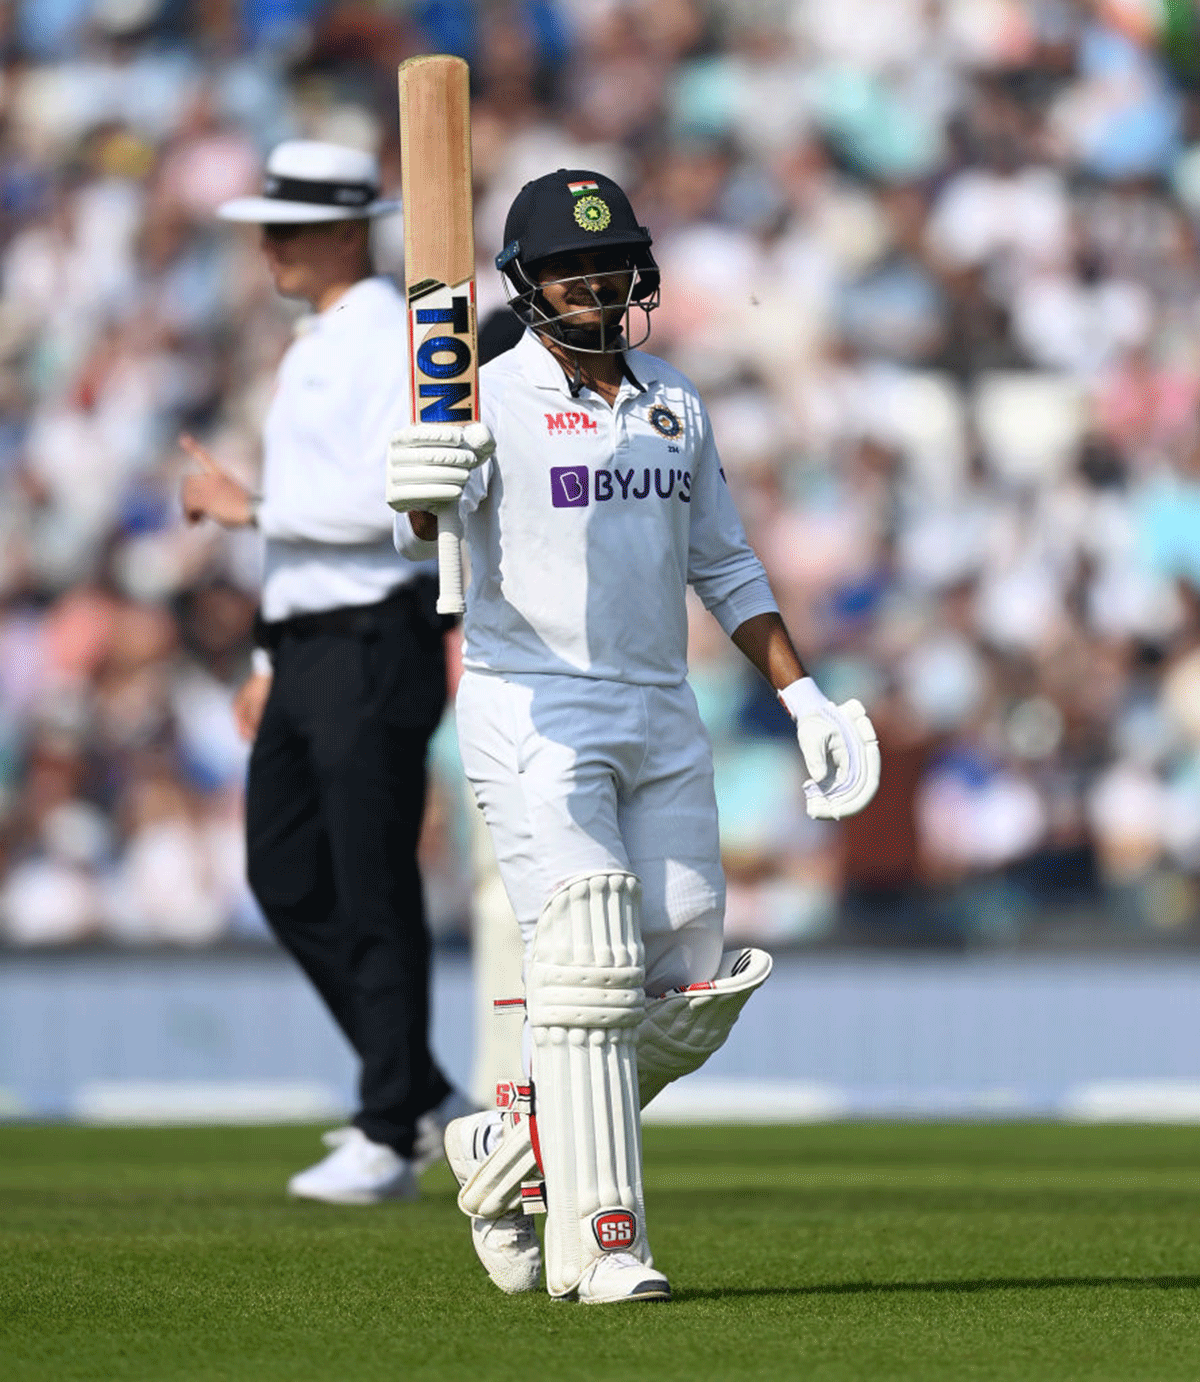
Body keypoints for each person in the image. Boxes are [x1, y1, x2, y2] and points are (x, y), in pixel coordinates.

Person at [386, 170, 880, 1300]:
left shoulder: (674, 400)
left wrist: (804, 698)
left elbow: (725, 561)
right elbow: (426, 528)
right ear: (528, 280)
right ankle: (606, 1240)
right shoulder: (483, 395)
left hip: (661, 706)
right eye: (571, 268)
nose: (598, 284)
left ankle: (504, 1153)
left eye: (612, 266)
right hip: (533, 701)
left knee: (695, 971)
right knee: (592, 961)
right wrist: (416, 485)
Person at [180, 140, 470, 1204]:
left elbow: (403, 513)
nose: (268, 248)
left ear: (348, 229)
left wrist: (246, 508)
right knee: (287, 873)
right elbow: (317, 521)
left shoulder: (395, 336)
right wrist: (269, 648)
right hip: (310, 644)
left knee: (371, 881)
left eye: (286, 228)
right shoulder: (319, 340)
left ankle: (389, 1125)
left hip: (373, 638)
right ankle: (424, 1094)